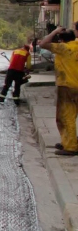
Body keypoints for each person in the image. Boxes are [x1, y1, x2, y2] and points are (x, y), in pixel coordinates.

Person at [40, 27, 78, 155]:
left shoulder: (63, 48)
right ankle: (67, 141)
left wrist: (55, 31)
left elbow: (43, 44)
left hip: (67, 86)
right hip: (75, 85)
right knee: (71, 116)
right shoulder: (76, 45)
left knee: (66, 117)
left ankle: (71, 147)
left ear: (61, 40)